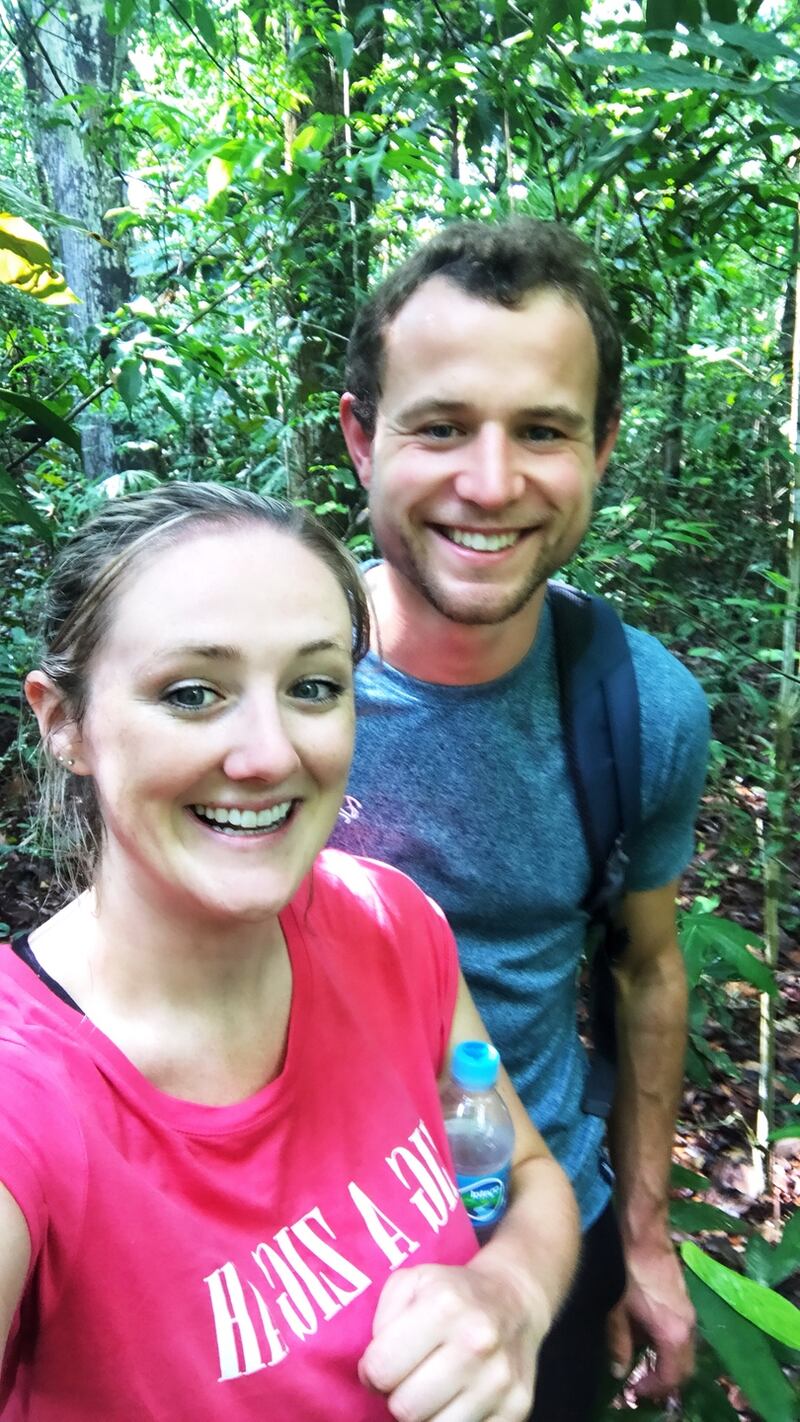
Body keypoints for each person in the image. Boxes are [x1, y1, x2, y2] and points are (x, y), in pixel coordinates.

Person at [0, 483, 579, 1421]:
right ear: (64, 723)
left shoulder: (393, 926)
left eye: (313, 686)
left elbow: (524, 1175)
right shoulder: (27, 1097)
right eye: (193, 694)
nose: (268, 754)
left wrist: (508, 1293)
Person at [331, 219, 711, 1420]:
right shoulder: (256, 675)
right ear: (360, 439)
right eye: (439, 426)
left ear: (597, 449)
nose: (488, 484)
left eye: (540, 430)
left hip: (536, 1246)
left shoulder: (636, 706)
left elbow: (646, 972)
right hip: (278, 1270)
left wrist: (641, 1240)